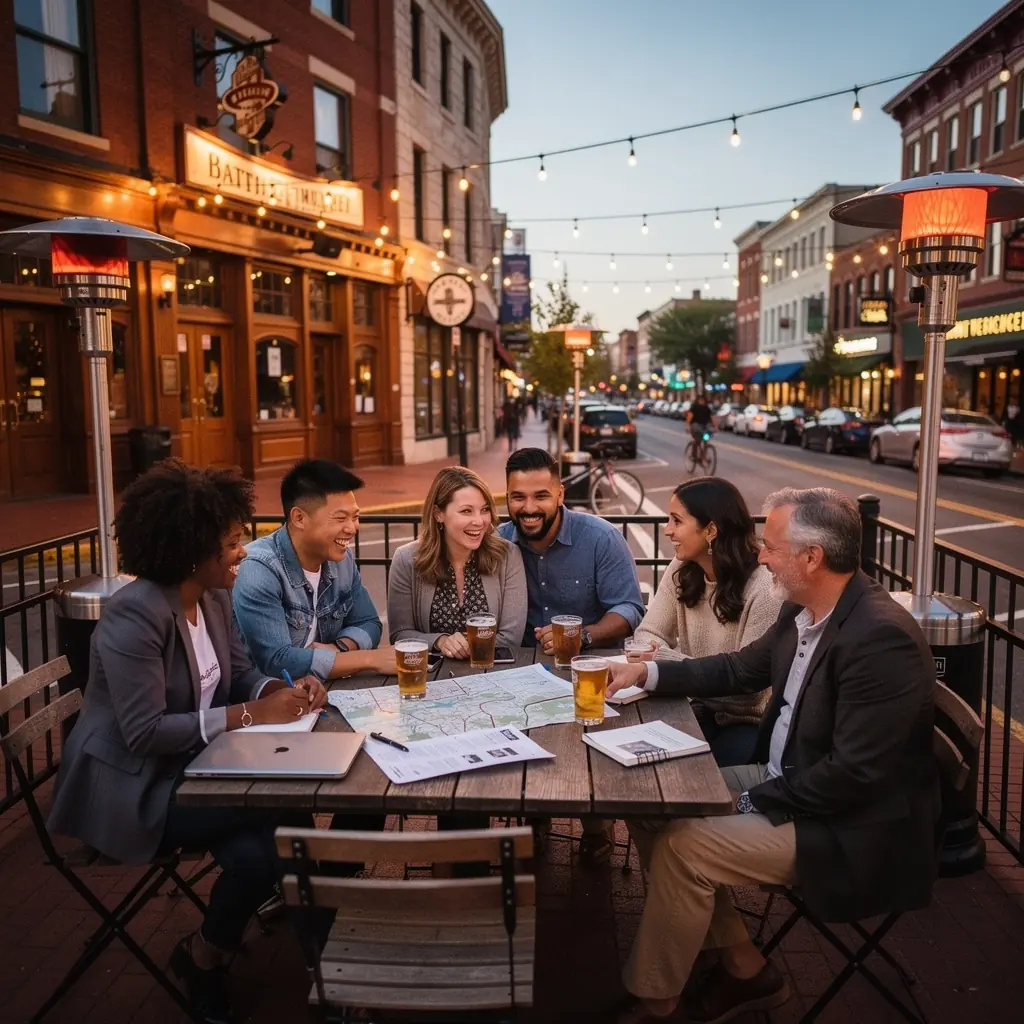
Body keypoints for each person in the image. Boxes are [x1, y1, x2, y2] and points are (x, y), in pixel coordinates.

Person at [607, 487, 939, 1024]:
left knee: (686, 845)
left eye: (773, 547)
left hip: (845, 826)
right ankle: (744, 965)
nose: (761, 556)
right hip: (787, 780)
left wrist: (747, 800)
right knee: (651, 803)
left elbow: (853, 776)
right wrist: (646, 672)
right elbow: (739, 669)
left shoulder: (879, 639)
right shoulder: (805, 609)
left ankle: (658, 1001)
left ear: (813, 557)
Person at [48, 461, 328, 1023]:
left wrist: (284, 691)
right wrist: (251, 715)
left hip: (201, 765)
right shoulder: (134, 617)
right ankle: (329, 964)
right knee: (285, 812)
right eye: (230, 542)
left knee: (260, 850)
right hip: (133, 785)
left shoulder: (215, 599)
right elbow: (144, 732)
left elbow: (245, 674)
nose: (243, 551)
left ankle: (206, 957)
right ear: (190, 550)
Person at [499, 446, 645, 864]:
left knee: (591, 744)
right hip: (521, 672)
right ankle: (535, 820)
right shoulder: (497, 543)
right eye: (517, 497)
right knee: (522, 745)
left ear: (560, 494)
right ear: (506, 497)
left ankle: (598, 826)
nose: (528, 508)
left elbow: (629, 609)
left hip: (590, 669)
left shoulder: (600, 537)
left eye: (540, 495)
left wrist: (585, 637)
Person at [629, 478, 782, 766]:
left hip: (744, 726)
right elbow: (647, 632)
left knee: (685, 776)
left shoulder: (763, 589)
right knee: (635, 758)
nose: (667, 530)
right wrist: (671, 666)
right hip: (693, 706)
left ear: (711, 530)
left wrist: (661, 659)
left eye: (677, 521)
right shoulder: (683, 566)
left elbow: (747, 691)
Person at [233, 459, 395, 681]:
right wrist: (369, 659)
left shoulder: (342, 559)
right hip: (269, 703)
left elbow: (369, 623)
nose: (352, 528)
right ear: (299, 518)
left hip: (320, 692)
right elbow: (277, 662)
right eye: (340, 518)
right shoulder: (259, 569)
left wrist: (338, 648)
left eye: (355, 517)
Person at [388, 466, 527, 656]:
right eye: (466, 511)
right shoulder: (406, 559)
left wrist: (465, 645)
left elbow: (511, 637)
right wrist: (441, 641)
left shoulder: (508, 555)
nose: (479, 521)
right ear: (439, 514)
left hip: (491, 671)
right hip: (433, 677)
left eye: (484, 510)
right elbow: (400, 635)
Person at [686, 393, 715, 461]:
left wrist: (715, 427)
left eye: (703, 400)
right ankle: (693, 455)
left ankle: (703, 456)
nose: (702, 401)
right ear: (698, 400)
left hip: (704, 427)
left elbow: (712, 417)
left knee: (705, 440)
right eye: (700, 400)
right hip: (696, 427)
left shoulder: (707, 408)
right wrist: (687, 426)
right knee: (697, 440)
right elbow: (690, 416)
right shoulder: (694, 407)